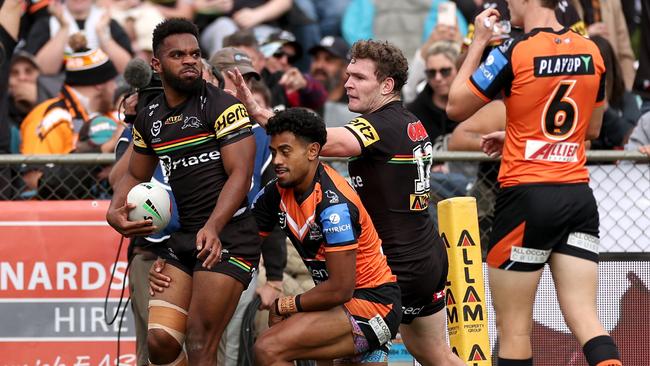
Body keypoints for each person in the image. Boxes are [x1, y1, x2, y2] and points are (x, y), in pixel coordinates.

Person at [229, 39, 463, 365]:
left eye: (359, 78)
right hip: (426, 257)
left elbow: (322, 142)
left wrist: (258, 112)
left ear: (387, 85)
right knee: (434, 354)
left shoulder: (381, 124)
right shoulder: (407, 119)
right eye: (348, 74)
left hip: (394, 269)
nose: (348, 83)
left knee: (330, 352)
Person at [446, 2, 621, 365]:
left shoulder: (514, 48)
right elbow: (590, 130)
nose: (507, 6)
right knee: (586, 317)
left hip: (527, 198)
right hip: (577, 196)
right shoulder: (591, 50)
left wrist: (479, 41)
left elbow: (455, 106)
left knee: (514, 329)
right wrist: (517, 137)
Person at [105, 18, 260, 366]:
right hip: (187, 237)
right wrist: (114, 209)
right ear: (157, 65)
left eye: (194, 53)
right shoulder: (150, 117)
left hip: (230, 235)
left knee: (201, 341)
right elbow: (134, 173)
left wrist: (214, 227)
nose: (190, 60)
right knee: (160, 343)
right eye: (178, 55)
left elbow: (241, 174)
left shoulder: (222, 106)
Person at [240, 108, 402, 363]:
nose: (277, 161)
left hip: (372, 305)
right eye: (273, 153)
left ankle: (370, 346)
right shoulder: (275, 193)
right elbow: (243, 245)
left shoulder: (334, 205)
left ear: (313, 151)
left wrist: (286, 304)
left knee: (268, 348)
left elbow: (340, 288)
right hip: (335, 303)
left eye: (285, 151)